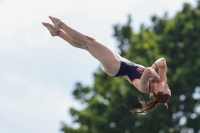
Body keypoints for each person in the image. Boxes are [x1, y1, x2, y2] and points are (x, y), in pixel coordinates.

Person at [42, 16, 171, 113]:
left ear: (157, 91)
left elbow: (147, 71)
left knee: (89, 41)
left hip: (116, 67)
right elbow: (163, 61)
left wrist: (154, 73)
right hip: (122, 60)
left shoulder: (145, 88)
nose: (167, 85)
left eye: (166, 88)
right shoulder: (161, 80)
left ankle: (61, 25)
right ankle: (57, 33)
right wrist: (156, 71)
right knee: (85, 45)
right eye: (168, 87)